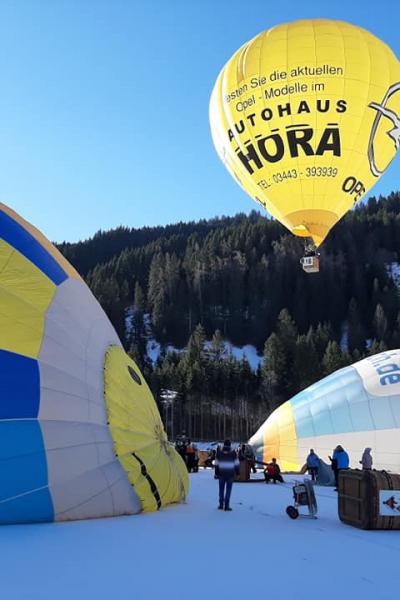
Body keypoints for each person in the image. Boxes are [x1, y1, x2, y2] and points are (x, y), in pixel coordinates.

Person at [215, 440, 240, 511]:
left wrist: (216, 473)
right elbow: (236, 463)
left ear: (224, 444)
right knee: (228, 490)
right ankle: (226, 505)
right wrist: (237, 473)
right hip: (230, 473)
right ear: (230, 445)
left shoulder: (219, 452)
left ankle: (220, 505)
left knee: (221, 489)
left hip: (221, 473)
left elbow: (216, 463)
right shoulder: (233, 452)